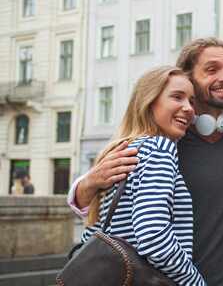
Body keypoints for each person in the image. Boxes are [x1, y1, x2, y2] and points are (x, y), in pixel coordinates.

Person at [67, 38, 223, 286]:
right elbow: (148, 233)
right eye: (211, 70)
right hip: (169, 280)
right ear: (189, 77)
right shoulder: (163, 141)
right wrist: (89, 182)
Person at [81, 66, 204, 285]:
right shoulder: (159, 147)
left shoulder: (123, 150)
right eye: (177, 97)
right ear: (149, 101)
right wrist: (194, 281)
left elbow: (94, 232)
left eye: (192, 101)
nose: (188, 109)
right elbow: (153, 236)